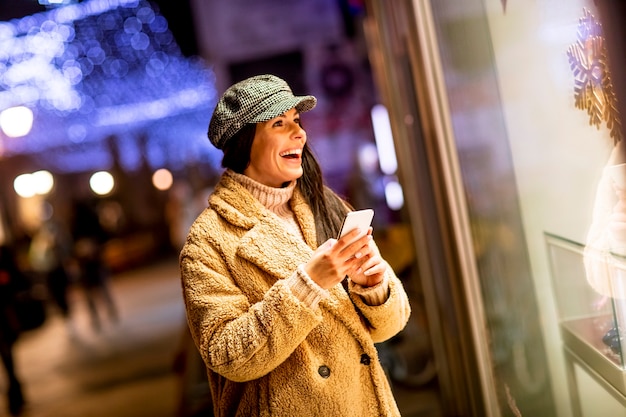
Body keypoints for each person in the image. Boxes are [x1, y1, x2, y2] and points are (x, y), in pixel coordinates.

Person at [179, 74, 411, 416]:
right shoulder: (208, 240)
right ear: (245, 142)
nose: (299, 133)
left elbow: (389, 326)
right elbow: (226, 354)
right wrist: (309, 283)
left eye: (297, 121)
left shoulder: (326, 205)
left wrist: (375, 287)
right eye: (279, 123)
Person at [0, 245, 26, 416]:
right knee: (7, 356)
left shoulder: (3, 255)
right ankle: (15, 390)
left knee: (7, 355)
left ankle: (15, 391)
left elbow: (14, 281)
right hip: (5, 314)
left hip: (4, 314)